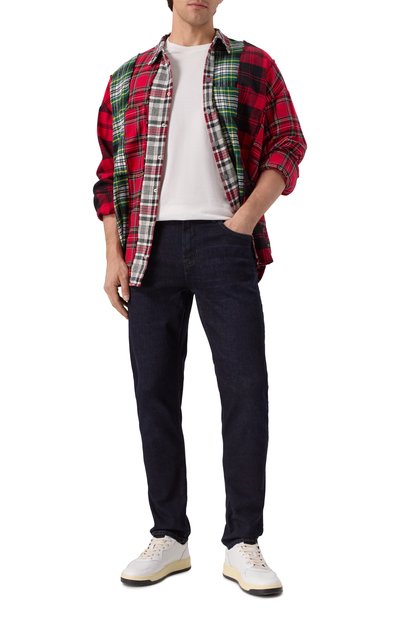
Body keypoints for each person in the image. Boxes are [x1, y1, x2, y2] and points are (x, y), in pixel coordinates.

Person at [93, 0, 307, 597]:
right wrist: (113, 253)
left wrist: (244, 221)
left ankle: (243, 542)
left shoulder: (253, 64)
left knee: (245, 389)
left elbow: (288, 143)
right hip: (148, 247)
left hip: (225, 242)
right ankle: (169, 536)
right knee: (155, 394)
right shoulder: (128, 77)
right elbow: (110, 173)